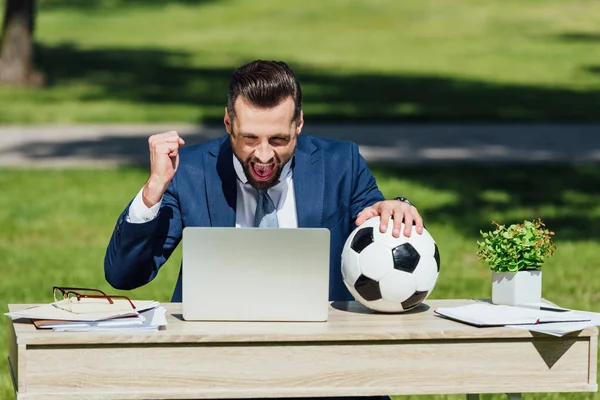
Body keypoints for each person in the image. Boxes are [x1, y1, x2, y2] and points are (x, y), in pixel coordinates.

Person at [104, 59, 423, 400]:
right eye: (250, 138)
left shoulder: (341, 162)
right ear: (229, 123)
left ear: (298, 124)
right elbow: (124, 275)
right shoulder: (190, 170)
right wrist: (154, 187)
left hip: (324, 362)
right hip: (213, 363)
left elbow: (375, 218)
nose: (264, 155)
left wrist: (394, 208)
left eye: (279, 139)